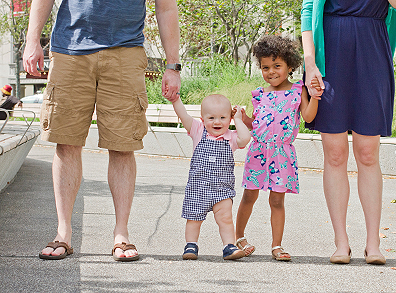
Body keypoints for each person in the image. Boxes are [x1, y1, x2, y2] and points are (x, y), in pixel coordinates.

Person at [22, 0, 181, 261]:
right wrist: (32, 41)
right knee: (66, 142)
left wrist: (172, 65)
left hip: (126, 52)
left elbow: (166, 8)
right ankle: (63, 232)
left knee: (122, 145)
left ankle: (122, 234)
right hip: (70, 50)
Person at [301, 0, 396, 265]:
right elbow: (308, 11)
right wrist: (310, 64)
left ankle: (373, 243)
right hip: (330, 51)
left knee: (367, 153)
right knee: (335, 154)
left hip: (373, 48)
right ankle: (341, 242)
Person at [234, 35, 322, 261]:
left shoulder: (297, 90)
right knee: (248, 197)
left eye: (277, 66)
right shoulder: (260, 94)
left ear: (289, 66)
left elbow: (308, 116)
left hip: (282, 154)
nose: (271, 71)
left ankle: (277, 245)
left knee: (276, 200)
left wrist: (315, 98)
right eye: (265, 67)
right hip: (258, 151)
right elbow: (256, 124)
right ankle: (238, 238)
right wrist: (243, 118)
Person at [169, 94, 251, 260]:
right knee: (193, 219)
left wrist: (239, 119)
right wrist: (175, 99)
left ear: (229, 119)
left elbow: (245, 138)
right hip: (198, 188)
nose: (217, 122)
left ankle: (229, 246)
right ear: (202, 119)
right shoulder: (198, 131)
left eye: (223, 117)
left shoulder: (231, 137)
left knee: (225, 218)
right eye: (211, 118)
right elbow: (183, 115)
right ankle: (191, 245)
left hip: (222, 189)